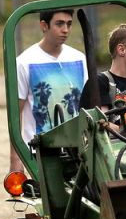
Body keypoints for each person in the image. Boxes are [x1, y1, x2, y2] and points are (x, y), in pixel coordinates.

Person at [10, 9, 88, 172]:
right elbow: (16, 114)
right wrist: (16, 158)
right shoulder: (24, 62)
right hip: (41, 151)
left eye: (69, 24)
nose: (65, 29)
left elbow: (87, 104)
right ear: (44, 26)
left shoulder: (79, 58)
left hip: (79, 148)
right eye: (59, 24)